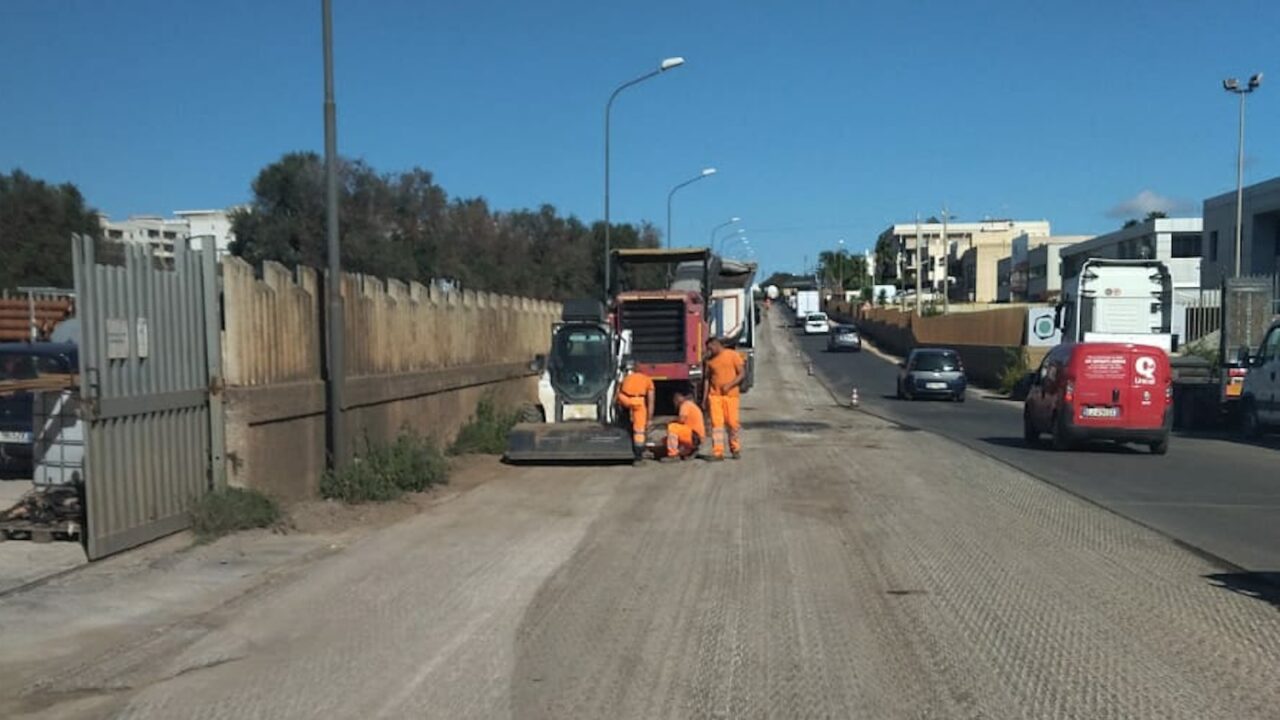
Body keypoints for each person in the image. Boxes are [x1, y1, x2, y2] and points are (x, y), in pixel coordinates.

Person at [704, 337, 745, 460]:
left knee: (732, 423)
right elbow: (707, 379)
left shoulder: (732, 355)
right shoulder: (709, 361)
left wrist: (730, 385)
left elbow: (741, 373)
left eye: (710, 347)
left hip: (731, 396)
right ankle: (718, 452)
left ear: (716, 344)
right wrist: (705, 397)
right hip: (715, 396)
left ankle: (735, 448)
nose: (709, 350)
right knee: (717, 425)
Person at [615, 358, 655, 463]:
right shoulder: (647, 380)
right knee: (639, 430)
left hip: (624, 398)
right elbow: (651, 400)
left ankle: (624, 425)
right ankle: (638, 455)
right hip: (638, 402)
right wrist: (649, 418)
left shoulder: (626, 378)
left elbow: (617, 390)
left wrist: (618, 402)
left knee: (624, 417)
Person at [665, 385, 705, 460]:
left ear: (679, 397)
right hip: (695, 436)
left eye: (675, 399)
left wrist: (670, 422)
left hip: (693, 436)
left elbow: (681, 419)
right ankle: (688, 451)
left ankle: (673, 454)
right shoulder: (691, 405)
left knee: (672, 427)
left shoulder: (685, 405)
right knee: (665, 440)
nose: (674, 402)